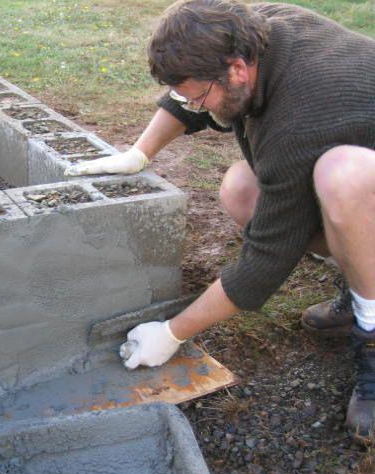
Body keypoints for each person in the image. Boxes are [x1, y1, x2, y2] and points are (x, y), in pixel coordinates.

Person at [65, 0, 375, 437]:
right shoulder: (253, 32)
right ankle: (361, 283)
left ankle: (372, 329)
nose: (195, 106)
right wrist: (138, 154)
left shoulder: (305, 110)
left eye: (198, 95)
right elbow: (190, 100)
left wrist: (173, 332)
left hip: (361, 173)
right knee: (241, 188)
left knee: (345, 176)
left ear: (237, 71)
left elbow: (266, 260)